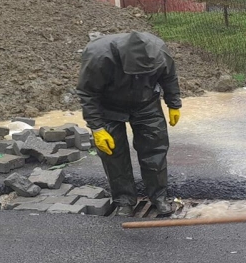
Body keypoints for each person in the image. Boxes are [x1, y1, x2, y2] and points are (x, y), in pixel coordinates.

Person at [77, 31, 181, 217]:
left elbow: (169, 77)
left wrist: (173, 104)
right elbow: (88, 93)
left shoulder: (159, 51)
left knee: (155, 150)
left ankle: (158, 196)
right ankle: (124, 200)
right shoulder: (99, 56)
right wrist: (97, 127)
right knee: (114, 155)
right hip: (109, 107)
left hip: (146, 102)